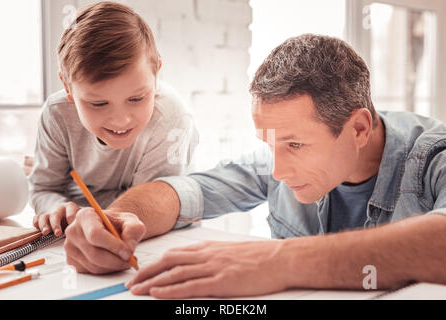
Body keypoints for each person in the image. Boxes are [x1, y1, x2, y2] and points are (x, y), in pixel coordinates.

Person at [63, 34, 446, 298]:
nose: (276, 170)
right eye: (270, 143)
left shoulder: (434, 157)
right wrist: (116, 219)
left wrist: (279, 263)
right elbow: (190, 192)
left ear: (358, 127)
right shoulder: (276, 160)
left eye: (295, 144)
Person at [28, 1, 198, 245]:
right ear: (67, 87)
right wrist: (58, 207)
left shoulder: (172, 118)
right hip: (81, 236)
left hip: (164, 239)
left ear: (156, 73)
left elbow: (146, 209)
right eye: (98, 104)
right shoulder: (57, 113)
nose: (121, 120)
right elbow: (43, 189)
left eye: (137, 98)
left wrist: (84, 207)